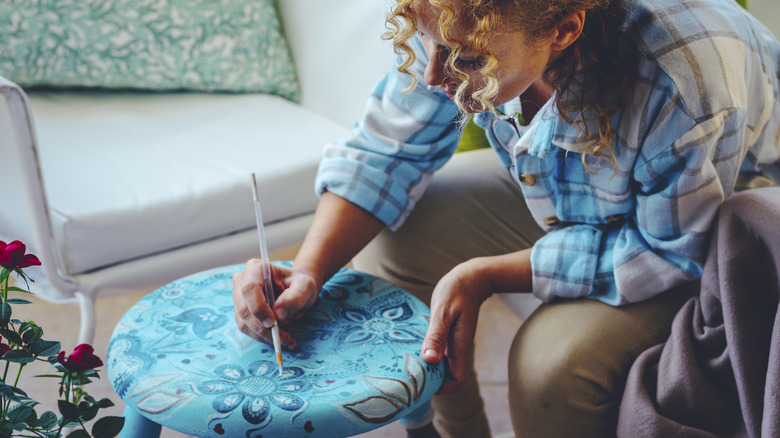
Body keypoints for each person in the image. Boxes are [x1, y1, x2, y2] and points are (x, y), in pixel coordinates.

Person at [233, 0, 780, 436]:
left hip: (710, 229)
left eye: (466, 61)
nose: (432, 75)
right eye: (425, 41)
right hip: (583, 199)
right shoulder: (461, 23)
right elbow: (384, 152)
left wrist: (488, 273)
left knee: (549, 367)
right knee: (394, 243)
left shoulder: (681, 82)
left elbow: (669, 251)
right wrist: (307, 269)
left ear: (563, 31)